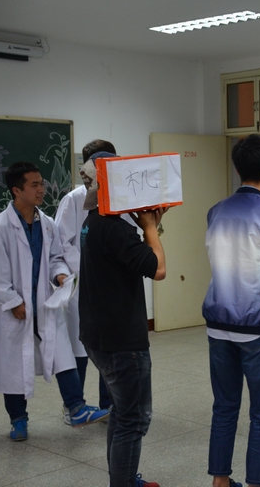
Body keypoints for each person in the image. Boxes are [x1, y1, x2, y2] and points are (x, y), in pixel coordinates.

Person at [0, 162, 108, 442]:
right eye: (35, 185)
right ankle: (18, 419)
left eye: (42, 183)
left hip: (45, 304)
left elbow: (55, 258)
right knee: (14, 366)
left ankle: (76, 408)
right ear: (16, 190)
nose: (42, 189)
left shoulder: (47, 224)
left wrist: (60, 275)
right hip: (16, 309)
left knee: (63, 355)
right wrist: (12, 301)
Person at [202, 134, 260, 487]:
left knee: (224, 407)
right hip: (257, 327)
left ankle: (220, 481)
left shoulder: (217, 210)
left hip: (217, 323)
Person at [78, 150, 167, 487]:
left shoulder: (94, 221)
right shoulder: (116, 229)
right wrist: (150, 226)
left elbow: (139, 257)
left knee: (121, 412)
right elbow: (158, 268)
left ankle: (124, 478)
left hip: (99, 335)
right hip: (121, 341)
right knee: (134, 419)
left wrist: (150, 228)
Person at [54, 139, 115, 424]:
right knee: (79, 346)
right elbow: (62, 240)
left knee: (110, 345)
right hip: (82, 281)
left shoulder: (119, 195)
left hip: (112, 283)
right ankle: (74, 405)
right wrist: (87, 267)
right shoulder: (74, 198)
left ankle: (109, 405)